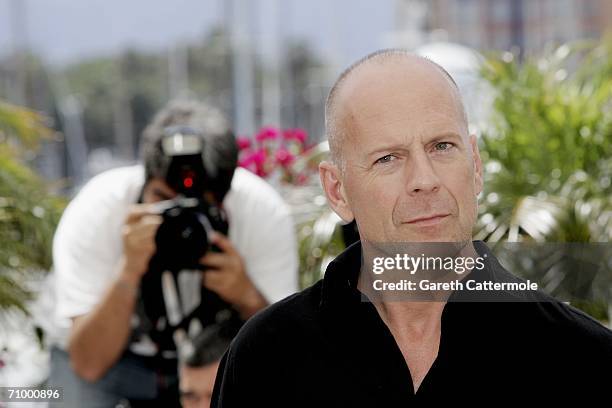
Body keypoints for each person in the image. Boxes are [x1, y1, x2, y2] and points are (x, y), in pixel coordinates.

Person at [211, 50, 612, 406]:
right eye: (388, 158)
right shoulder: (267, 357)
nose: (424, 179)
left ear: (474, 165)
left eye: (442, 147)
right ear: (337, 190)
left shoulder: (582, 360)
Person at [48, 99, 298, 407]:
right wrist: (128, 271)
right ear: (144, 180)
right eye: (163, 201)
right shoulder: (99, 210)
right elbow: (89, 364)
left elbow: (286, 354)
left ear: (223, 200)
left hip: (207, 365)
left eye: (194, 207)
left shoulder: (261, 211)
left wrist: (247, 295)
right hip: (111, 362)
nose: (177, 219)